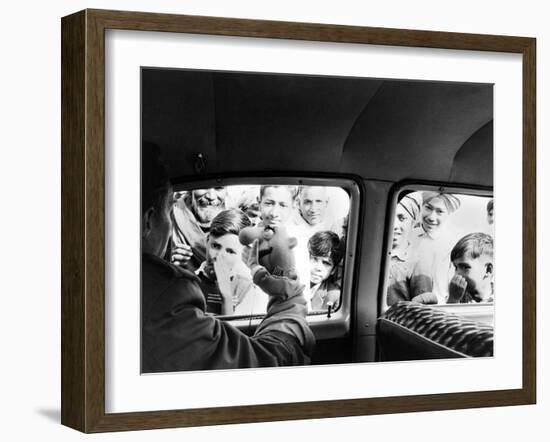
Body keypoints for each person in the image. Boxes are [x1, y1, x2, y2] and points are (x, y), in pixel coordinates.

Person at [141, 143, 315, 372]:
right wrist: (287, 295)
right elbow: (269, 366)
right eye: (168, 212)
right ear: (148, 220)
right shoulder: (166, 298)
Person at [196, 208, 268, 315]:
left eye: (230, 251)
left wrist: (227, 298)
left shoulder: (247, 287)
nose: (219, 256)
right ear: (207, 241)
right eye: (215, 246)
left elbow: (232, 331)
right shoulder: (190, 281)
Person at [386, 194, 434, 305]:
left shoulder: (417, 261)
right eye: (390, 217)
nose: (395, 225)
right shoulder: (370, 254)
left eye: (401, 218)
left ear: (412, 223)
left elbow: (422, 311)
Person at [170, 186, 227, 272]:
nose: (211, 196)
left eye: (218, 188)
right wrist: (169, 263)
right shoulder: (173, 215)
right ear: (191, 189)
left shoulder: (232, 219)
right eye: (203, 186)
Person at [447, 232, 494, 303]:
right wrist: (453, 300)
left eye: (465, 267)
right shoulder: (458, 296)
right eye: (456, 267)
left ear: (488, 270)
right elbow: (448, 314)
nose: (457, 273)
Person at [307, 231, 343, 311]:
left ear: (333, 270)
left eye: (326, 263)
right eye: (314, 259)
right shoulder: (289, 283)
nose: (318, 268)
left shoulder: (334, 296)